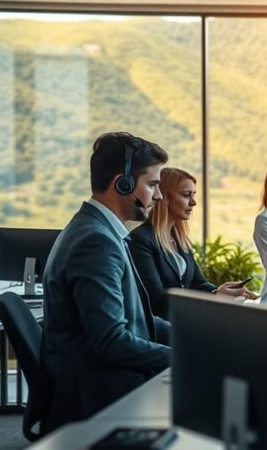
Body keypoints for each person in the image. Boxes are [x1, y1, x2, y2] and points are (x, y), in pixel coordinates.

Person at [41, 132, 171, 432]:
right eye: (152, 185)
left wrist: (190, 335)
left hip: (103, 385)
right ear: (122, 184)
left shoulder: (98, 231)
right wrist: (185, 357)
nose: (160, 196)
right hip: (99, 399)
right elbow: (111, 341)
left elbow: (133, 316)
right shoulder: (96, 241)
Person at [129, 167, 256, 320]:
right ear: (165, 198)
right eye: (186, 195)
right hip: (164, 327)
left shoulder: (179, 238)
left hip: (186, 318)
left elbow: (198, 282)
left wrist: (222, 291)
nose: (194, 202)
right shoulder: (140, 240)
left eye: (193, 195)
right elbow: (156, 299)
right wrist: (215, 296)